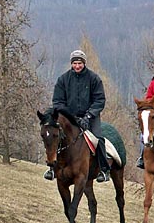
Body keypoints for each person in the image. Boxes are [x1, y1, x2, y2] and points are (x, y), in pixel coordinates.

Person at [44, 49, 111, 182]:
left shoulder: (94, 78)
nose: (77, 66)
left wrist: (89, 116)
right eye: (74, 63)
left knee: (97, 139)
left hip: (90, 117)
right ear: (71, 64)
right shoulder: (63, 79)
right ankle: (52, 168)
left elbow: (99, 100)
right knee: (54, 136)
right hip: (69, 117)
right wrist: (70, 116)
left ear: (84, 63)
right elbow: (57, 101)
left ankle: (104, 170)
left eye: (79, 63)